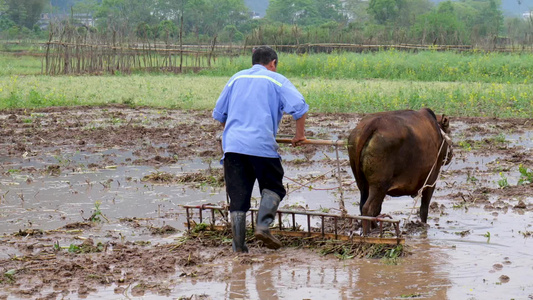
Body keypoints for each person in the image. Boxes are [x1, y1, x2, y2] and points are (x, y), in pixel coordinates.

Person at [212, 46, 308, 252]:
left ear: (253, 61)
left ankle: (239, 247)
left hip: (233, 147)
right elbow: (300, 108)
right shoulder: (277, 80)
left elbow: (220, 115)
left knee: (237, 196)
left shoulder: (235, 79)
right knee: (273, 187)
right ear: (272, 63)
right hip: (261, 145)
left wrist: (235, 134)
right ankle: (263, 226)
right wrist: (299, 136)